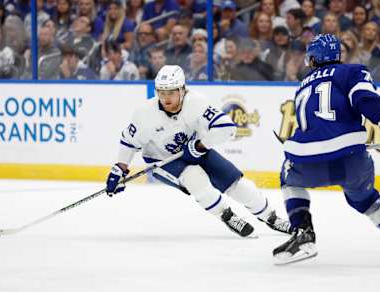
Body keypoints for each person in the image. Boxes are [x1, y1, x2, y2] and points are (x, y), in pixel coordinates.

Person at [272, 34, 380, 264]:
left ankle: (303, 233)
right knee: (366, 201)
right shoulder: (352, 71)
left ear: (314, 58)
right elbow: (365, 99)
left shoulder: (303, 84)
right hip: (351, 160)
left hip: (307, 162)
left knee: (288, 178)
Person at [105, 65, 291, 238]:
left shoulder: (197, 103)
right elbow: (129, 142)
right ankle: (225, 215)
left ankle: (270, 217)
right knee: (195, 177)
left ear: (182, 90)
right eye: (161, 92)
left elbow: (227, 128)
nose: (166, 98)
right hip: (162, 160)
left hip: (196, 150)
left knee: (238, 184)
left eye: (171, 92)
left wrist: (199, 146)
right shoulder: (145, 114)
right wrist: (119, 170)